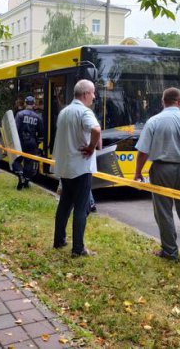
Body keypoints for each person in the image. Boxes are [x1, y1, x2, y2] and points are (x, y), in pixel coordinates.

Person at [134, 87, 180, 262]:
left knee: (163, 210)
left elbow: (143, 151)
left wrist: (138, 172)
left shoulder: (154, 121)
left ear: (163, 101)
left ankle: (169, 251)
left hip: (161, 169)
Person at [53, 79, 101, 257]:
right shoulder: (84, 112)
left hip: (65, 166)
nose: (94, 97)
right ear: (86, 94)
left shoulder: (64, 111)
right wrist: (91, 147)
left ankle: (59, 240)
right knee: (81, 208)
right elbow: (96, 129)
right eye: (93, 93)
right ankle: (78, 248)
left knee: (65, 204)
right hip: (81, 167)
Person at [12, 96, 43, 190]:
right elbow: (41, 132)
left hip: (20, 142)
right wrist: (36, 141)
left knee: (15, 160)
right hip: (32, 142)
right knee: (29, 162)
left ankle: (20, 174)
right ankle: (26, 181)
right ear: (33, 104)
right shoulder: (38, 117)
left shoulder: (19, 114)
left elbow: (15, 129)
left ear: (25, 103)